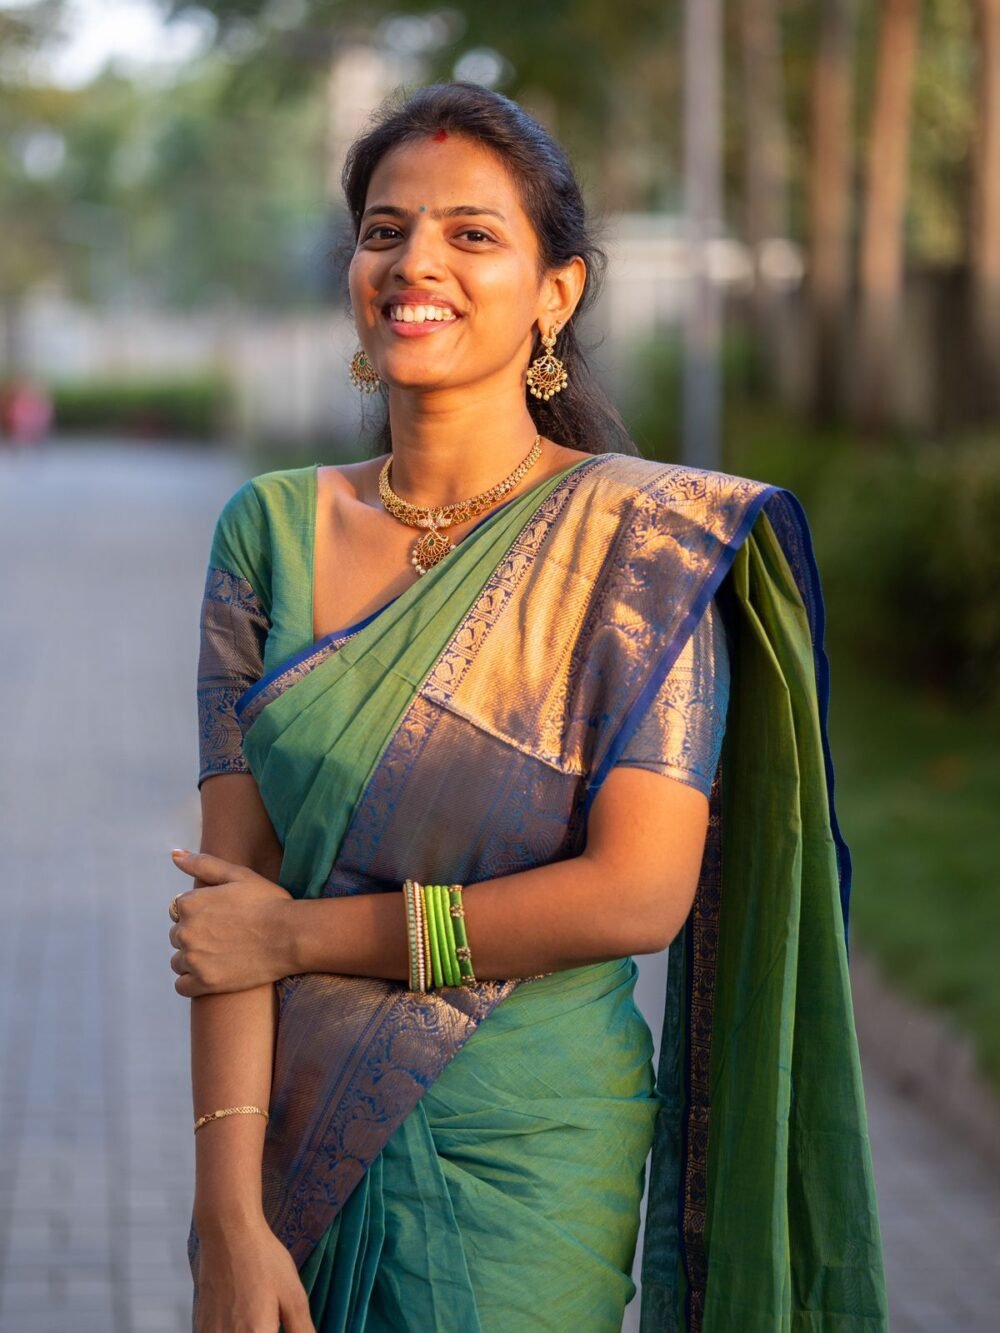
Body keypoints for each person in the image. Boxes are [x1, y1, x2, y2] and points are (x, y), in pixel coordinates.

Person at [167, 82, 887, 1332]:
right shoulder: (269, 528)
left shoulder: (641, 551)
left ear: (556, 293)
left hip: (532, 1145)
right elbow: (234, 907)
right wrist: (228, 1219)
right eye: (384, 230)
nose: (415, 263)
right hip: (296, 1144)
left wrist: (307, 941)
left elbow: (633, 895)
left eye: (471, 233)